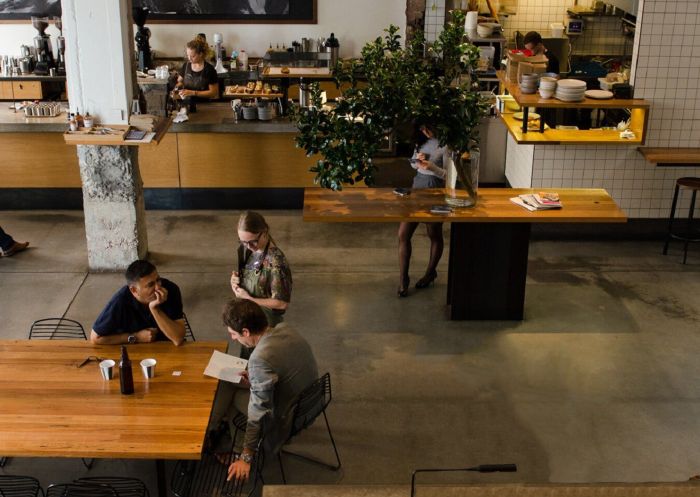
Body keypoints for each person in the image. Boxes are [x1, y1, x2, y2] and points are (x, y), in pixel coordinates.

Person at [217, 298, 318, 483]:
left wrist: (246, 458)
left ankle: (237, 450)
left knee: (233, 398)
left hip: (287, 413)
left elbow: (258, 414)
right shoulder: (285, 329)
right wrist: (256, 378)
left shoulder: (259, 358)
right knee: (237, 386)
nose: (233, 338)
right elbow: (279, 365)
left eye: (233, 334)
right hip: (308, 400)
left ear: (245, 332)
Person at [397, 123, 448, 297]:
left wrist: (431, 167)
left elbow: (450, 175)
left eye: (428, 128)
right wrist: (417, 161)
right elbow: (413, 165)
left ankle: (430, 272)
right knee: (403, 234)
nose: (425, 132)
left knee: (434, 234)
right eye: (422, 129)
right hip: (417, 187)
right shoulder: (421, 140)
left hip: (435, 191)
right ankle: (403, 278)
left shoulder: (446, 144)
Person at [91, 260, 186, 346]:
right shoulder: (121, 300)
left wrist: (154, 309)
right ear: (134, 290)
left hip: (169, 348)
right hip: (136, 353)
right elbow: (95, 338)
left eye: (158, 280)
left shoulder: (171, 290)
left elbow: (178, 339)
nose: (158, 287)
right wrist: (135, 337)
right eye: (150, 285)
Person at [230, 211, 292, 328]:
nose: (248, 246)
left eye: (252, 241)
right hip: (249, 318)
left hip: (266, 325)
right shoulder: (249, 250)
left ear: (264, 232)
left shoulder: (276, 263)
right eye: (243, 242)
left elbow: (282, 303)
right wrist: (236, 282)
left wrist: (249, 299)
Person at [173, 37, 220, 102]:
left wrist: (193, 93)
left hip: (204, 106)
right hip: (187, 103)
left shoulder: (209, 70)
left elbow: (213, 93)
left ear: (200, 54)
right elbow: (180, 81)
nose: (189, 58)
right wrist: (177, 88)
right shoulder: (186, 66)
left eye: (192, 56)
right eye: (188, 55)